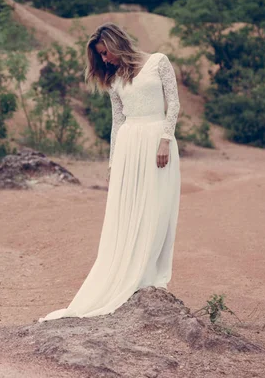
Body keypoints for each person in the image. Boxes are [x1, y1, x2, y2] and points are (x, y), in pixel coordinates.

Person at [38, 22, 181, 322]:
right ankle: (126, 276)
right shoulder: (114, 79)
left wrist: (165, 140)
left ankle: (149, 276)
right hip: (129, 145)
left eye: (105, 53)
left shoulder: (158, 62)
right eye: (100, 56)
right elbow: (117, 123)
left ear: (117, 44)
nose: (104, 60)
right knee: (128, 212)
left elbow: (174, 105)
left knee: (158, 209)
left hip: (157, 141)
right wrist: (113, 163)